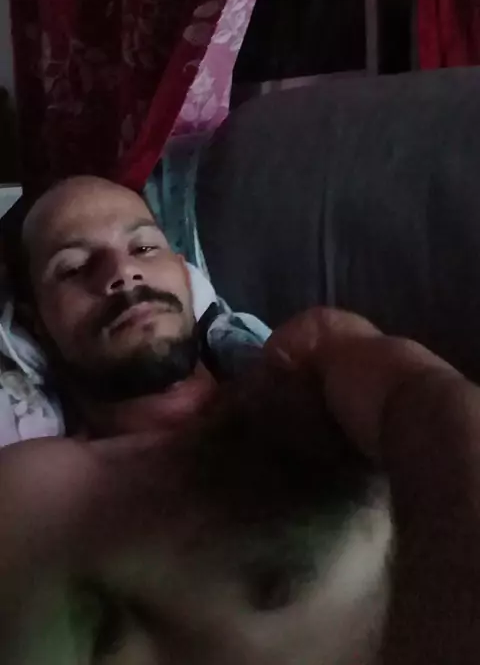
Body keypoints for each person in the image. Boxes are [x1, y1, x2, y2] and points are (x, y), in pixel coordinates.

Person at [0, 175, 479, 664]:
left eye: (143, 247)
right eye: (73, 267)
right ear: (35, 325)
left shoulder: (313, 376)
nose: (122, 271)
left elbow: (437, 411)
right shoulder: (45, 487)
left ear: (184, 274)